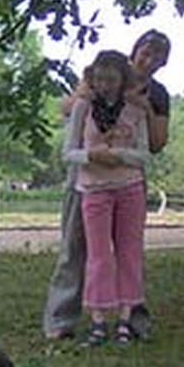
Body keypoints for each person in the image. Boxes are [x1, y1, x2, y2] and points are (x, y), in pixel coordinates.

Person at [42, 30, 172, 340]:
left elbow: (155, 144)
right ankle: (61, 319)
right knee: (75, 248)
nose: (150, 61)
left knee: (130, 250)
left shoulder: (157, 94)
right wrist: (85, 98)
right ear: (135, 50)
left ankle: (133, 319)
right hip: (86, 177)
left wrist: (144, 109)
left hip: (127, 174)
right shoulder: (103, 74)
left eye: (158, 57)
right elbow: (67, 109)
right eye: (146, 52)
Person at [62, 50, 151, 346]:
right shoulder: (83, 109)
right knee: (99, 257)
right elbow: (68, 152)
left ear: (122, 79)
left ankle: (125, 318)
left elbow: (143, 154)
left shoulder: (135, 110)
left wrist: (118, 155)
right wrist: (91, 155)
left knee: (129, 252)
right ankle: (98, 319)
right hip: (94, 189)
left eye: (111, 79)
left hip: (129, 187)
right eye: (99, 79)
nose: (105, 85)